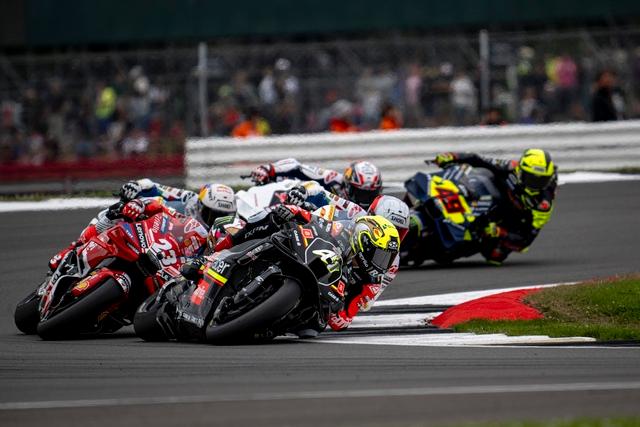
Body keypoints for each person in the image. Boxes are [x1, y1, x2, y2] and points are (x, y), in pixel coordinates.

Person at [212, 208, 400, 335]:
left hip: (317, 297)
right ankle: (219, 251)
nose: (382, 263)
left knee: (310, 330)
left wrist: (337, 308)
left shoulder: (369, 282)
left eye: (387, 258)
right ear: (364, 242)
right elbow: (310, 217)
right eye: (381, 255)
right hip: (301, 254)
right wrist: (291, 212)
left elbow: (343, 320)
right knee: (269, 220)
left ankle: (265, 328)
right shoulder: (339, 229)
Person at [48, 180, 236, 271]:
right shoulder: (189, 198)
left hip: (173, 259)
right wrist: (136, 186)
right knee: (116, 212)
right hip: (152, 230)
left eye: (223, 216)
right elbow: (154, 186)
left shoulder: (220, 231)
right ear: (201, 205)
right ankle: (77, 247)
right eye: (212, 213)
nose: (216, 219)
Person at [433, 148, 557, 264]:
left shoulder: (543, 206)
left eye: (542, 181)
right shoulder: (510, 167)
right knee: (475, 175)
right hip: (493, 196)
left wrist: (499, 232)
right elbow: (478, 159)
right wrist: (453, 156)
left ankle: (461, 244)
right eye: (532, 179)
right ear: (520, 172)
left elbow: (525, 242)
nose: (535, 185)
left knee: (495, 256)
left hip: (510, 221)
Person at [250, 158, 382, 209]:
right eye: (360, 193)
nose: (365, 200)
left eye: (370, 194)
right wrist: (269, 169)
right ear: (347, 185)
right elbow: (297, 166)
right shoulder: (332, 178)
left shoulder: (378, 206)